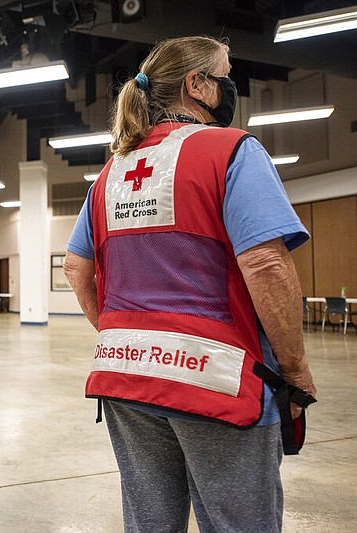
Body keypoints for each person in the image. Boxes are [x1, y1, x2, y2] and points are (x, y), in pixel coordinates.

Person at [64, 36, 317, 533]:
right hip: (216, 382)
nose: (230, 85)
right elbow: (266, 264)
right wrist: (296, 370)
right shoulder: (232, 151)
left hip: (126, 377)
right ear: (197, 85)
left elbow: (77, 269)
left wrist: (125, 336)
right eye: (224, 73)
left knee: (150, 520)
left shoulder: (112, 172)